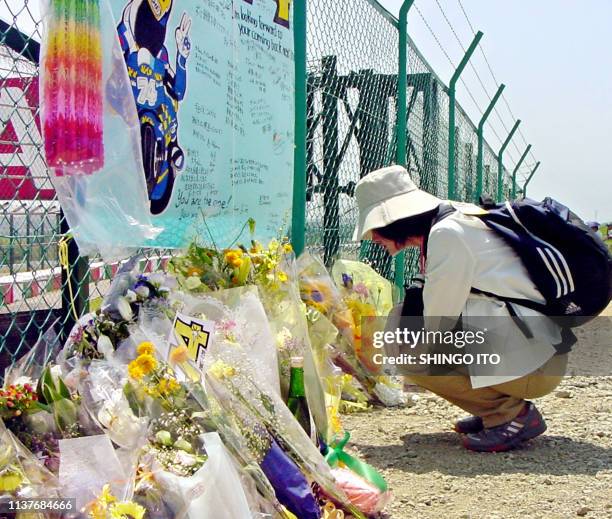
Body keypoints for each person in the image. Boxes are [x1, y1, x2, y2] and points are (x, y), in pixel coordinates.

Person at [352, 165, 568, 452]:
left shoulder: (447, 235)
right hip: (539, 352)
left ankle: (510, 415)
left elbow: (438, 324)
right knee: (403, 324)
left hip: (536, 367)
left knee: (408, 354)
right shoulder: (457, 218)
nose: (374, 238)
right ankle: (498, 410)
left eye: (375, 229)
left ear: (394, 220)